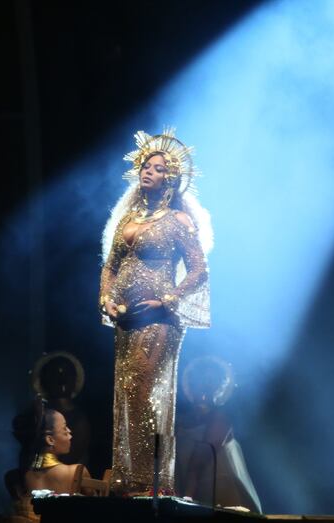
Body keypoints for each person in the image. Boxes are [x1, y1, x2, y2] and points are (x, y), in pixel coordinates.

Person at [99, 128, 212, 494]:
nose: (149, 171)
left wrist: (167, 301)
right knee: (127, 393)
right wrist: (107, 301)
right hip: (127, 319)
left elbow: (199, 270)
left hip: (160, 318)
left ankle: (152, 481)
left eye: (158, 168)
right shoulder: (127, 220)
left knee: (146, 392)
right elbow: (110, 266)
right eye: (146, 165)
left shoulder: (177, 222)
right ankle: (127, 476)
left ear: (172, 179)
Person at [175, 356, 262, 512]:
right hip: (190, 494)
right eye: (201, 379)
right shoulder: (179, 421)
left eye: (211, 381)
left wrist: (187, 497)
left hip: (221, 496)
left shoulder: (220, 417)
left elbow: (200, 458)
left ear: (219, 386)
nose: (205, 386)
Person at [8, 400, 90, 521]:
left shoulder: (13, 477)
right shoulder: (76, 472)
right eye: (64, 429)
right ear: (50, 440)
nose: (70, 433)